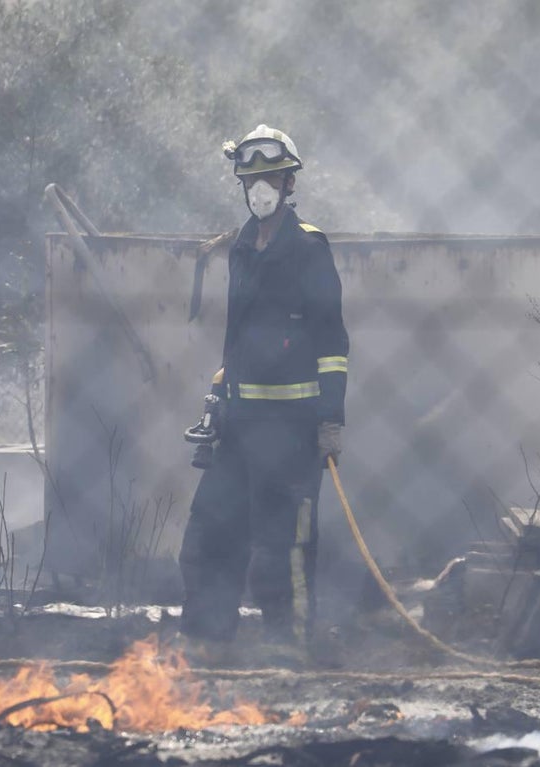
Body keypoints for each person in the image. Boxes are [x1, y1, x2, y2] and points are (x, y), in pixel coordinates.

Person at [178, 124, 349, 663]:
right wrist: (219, 399)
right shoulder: (241, 250)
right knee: (208, 539)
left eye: (269, 177)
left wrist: (331, 417)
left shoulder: (309, 248)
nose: (260, 189)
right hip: (239, 425)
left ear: (289, 181)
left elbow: (333, 340)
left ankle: (288, 654)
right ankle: (207, 648)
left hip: (295, 433)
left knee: (286, 553)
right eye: (250, 180)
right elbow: (234, 335)